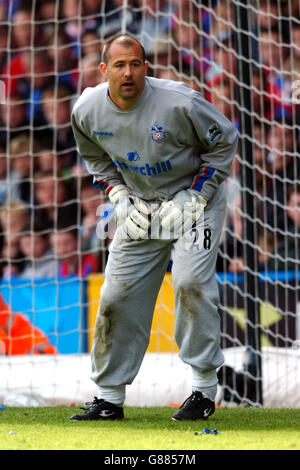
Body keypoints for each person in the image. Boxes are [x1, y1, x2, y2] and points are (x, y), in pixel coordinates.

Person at [70, 34, 238, 422]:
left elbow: (224, 140)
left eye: (135, 64)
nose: (128, 73)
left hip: (196, 203)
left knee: (190, 283)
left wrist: (196, 195)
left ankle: (203, 390)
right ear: (103, 70)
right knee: (115, 295)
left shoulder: (180, 100)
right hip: (139, 207)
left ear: (146, 67)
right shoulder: (87, 110)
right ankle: (108, 399)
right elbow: (95, 159)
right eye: (119, 65)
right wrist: (117, 195)